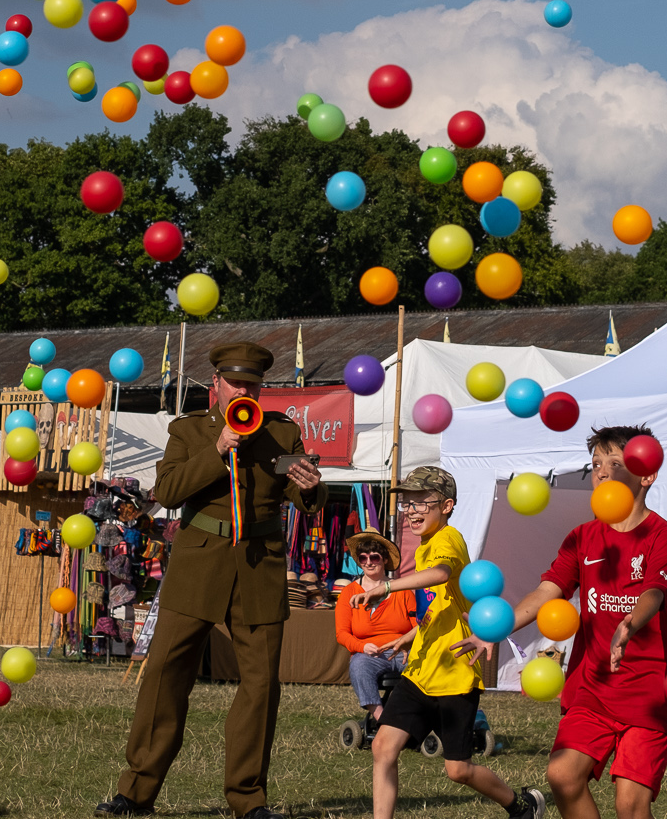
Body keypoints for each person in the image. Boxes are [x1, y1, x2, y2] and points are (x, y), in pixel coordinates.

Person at [99, 342, 328, 819]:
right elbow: (168, 491)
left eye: (252, 384)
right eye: (235, 382)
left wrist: (313, 487)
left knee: (261, 687)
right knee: (164, 675)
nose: (243, 390)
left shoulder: (283, 432)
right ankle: (136, 793)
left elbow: (305, 499)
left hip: (260, 568)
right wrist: (218, 447)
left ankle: (248, 800)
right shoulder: (188, 431)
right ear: (217, 385)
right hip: (198, 565)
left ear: (261, 388)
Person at [466, 425, 667, 819]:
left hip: (650, 688)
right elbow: (548, 590)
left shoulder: (662, 535)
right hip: (593, 685)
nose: (601, 472)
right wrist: (496, 628)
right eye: (596, 463)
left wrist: (630, 623)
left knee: (631, 805)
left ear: (647, 474)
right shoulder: (582, 537)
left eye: (614, 463)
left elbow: (655, 592)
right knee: (563, 775)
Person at [360, 465, 545, 819]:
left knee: (458, 769)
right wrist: (411, 635)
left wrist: (385, 586)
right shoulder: (426, 543)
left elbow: (441, 575)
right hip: (421, 671)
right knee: (383, 747)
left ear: (446, 505)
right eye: (407, 504)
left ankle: (521, 805)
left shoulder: (447, 539)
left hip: (455, 674)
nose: (411, 511)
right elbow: (442, 602)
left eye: (420, 503)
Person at [334, 531, 417, 723]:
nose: (368, 562)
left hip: (403, 650)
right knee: (359, 665)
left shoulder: (402, 589)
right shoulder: (349, 593)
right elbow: (342, 634)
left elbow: (418, 626)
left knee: (427, 667)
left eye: (374, 557)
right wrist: (362, 647)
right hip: (370, 654)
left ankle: (419, 717)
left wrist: (406, 642)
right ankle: (384, 720)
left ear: (385, 559)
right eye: (363, 557)